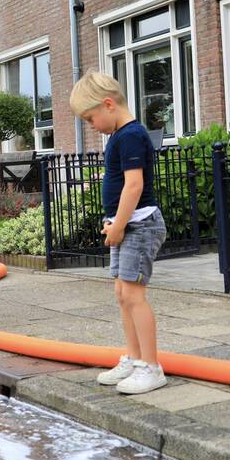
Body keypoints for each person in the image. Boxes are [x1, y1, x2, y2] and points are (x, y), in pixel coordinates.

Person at [70, 71, 168, 395]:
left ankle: (150, 367)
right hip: (124, 225)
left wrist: (120, 225)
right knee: (122, 295)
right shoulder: (118, 136)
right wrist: (115, 224)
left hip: (138, 225)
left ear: (108, 104)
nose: (91, 125)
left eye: (90, 118)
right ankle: (135, 358)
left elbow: (135, 185)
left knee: (134, 295)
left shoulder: (130, 135)